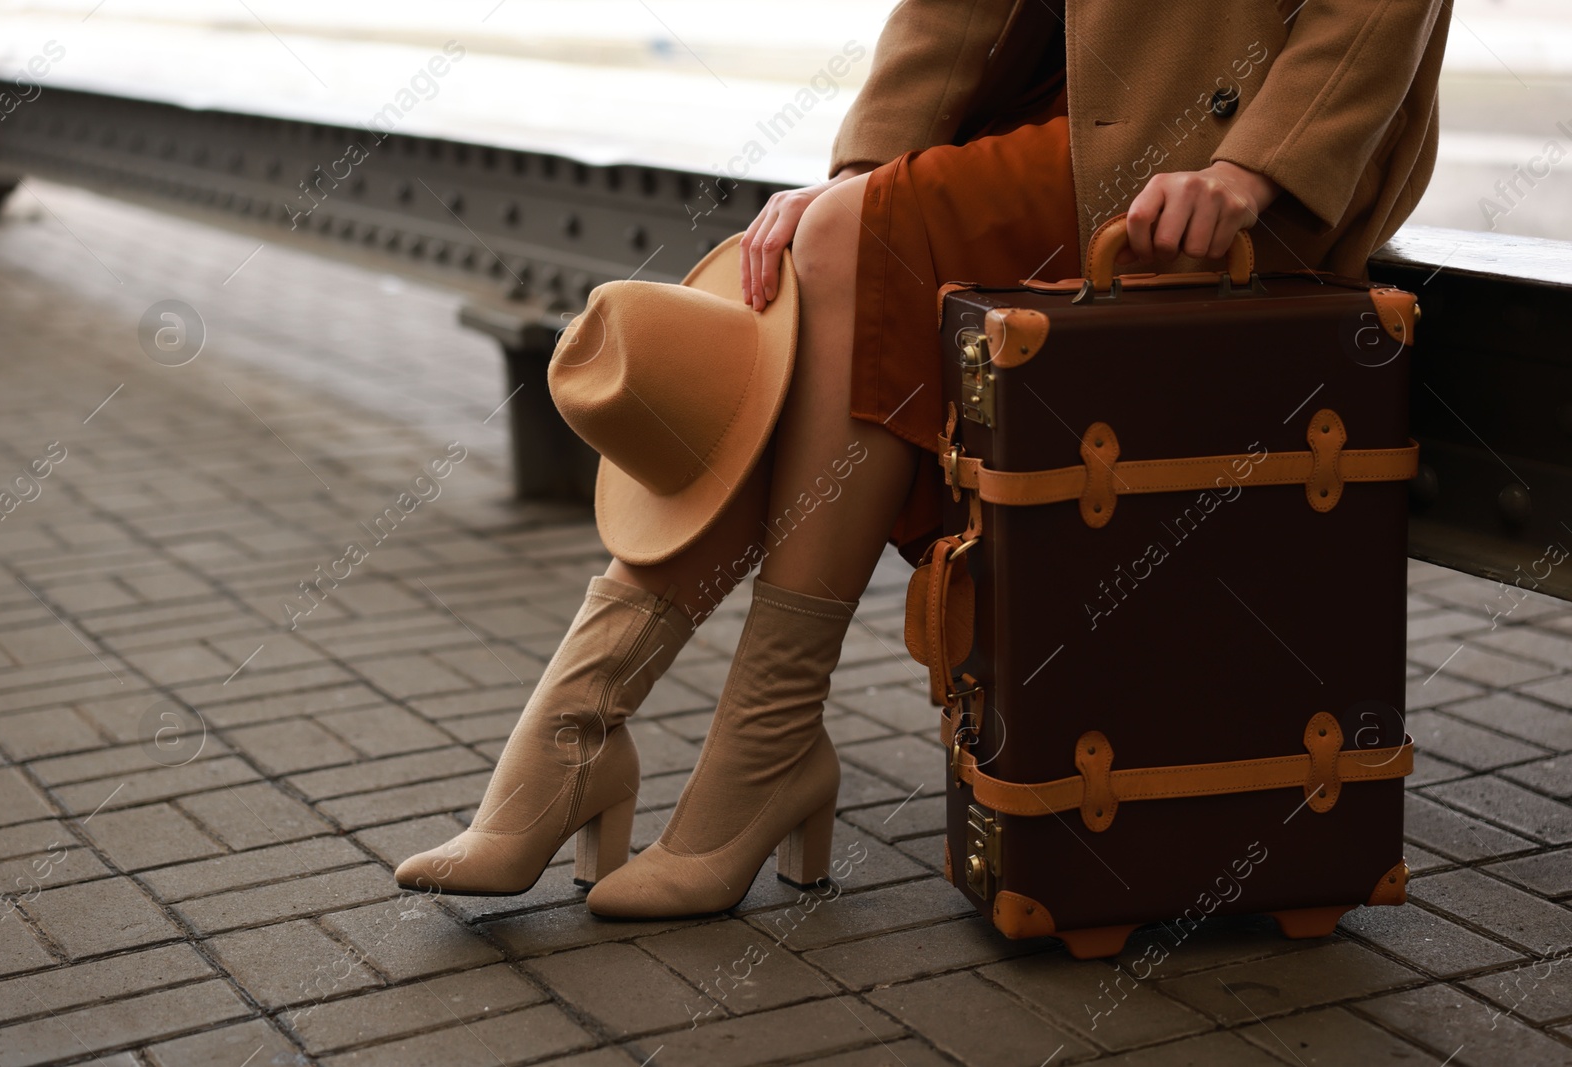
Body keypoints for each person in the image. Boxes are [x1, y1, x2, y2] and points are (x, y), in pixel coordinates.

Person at [395, 0, 1452, 917]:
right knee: (822, 258)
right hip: (1063, 119)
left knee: (845, 258)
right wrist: (863, 165)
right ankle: (679, 738)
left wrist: (1254, 166)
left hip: (1222, 155)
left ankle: (627, 740)